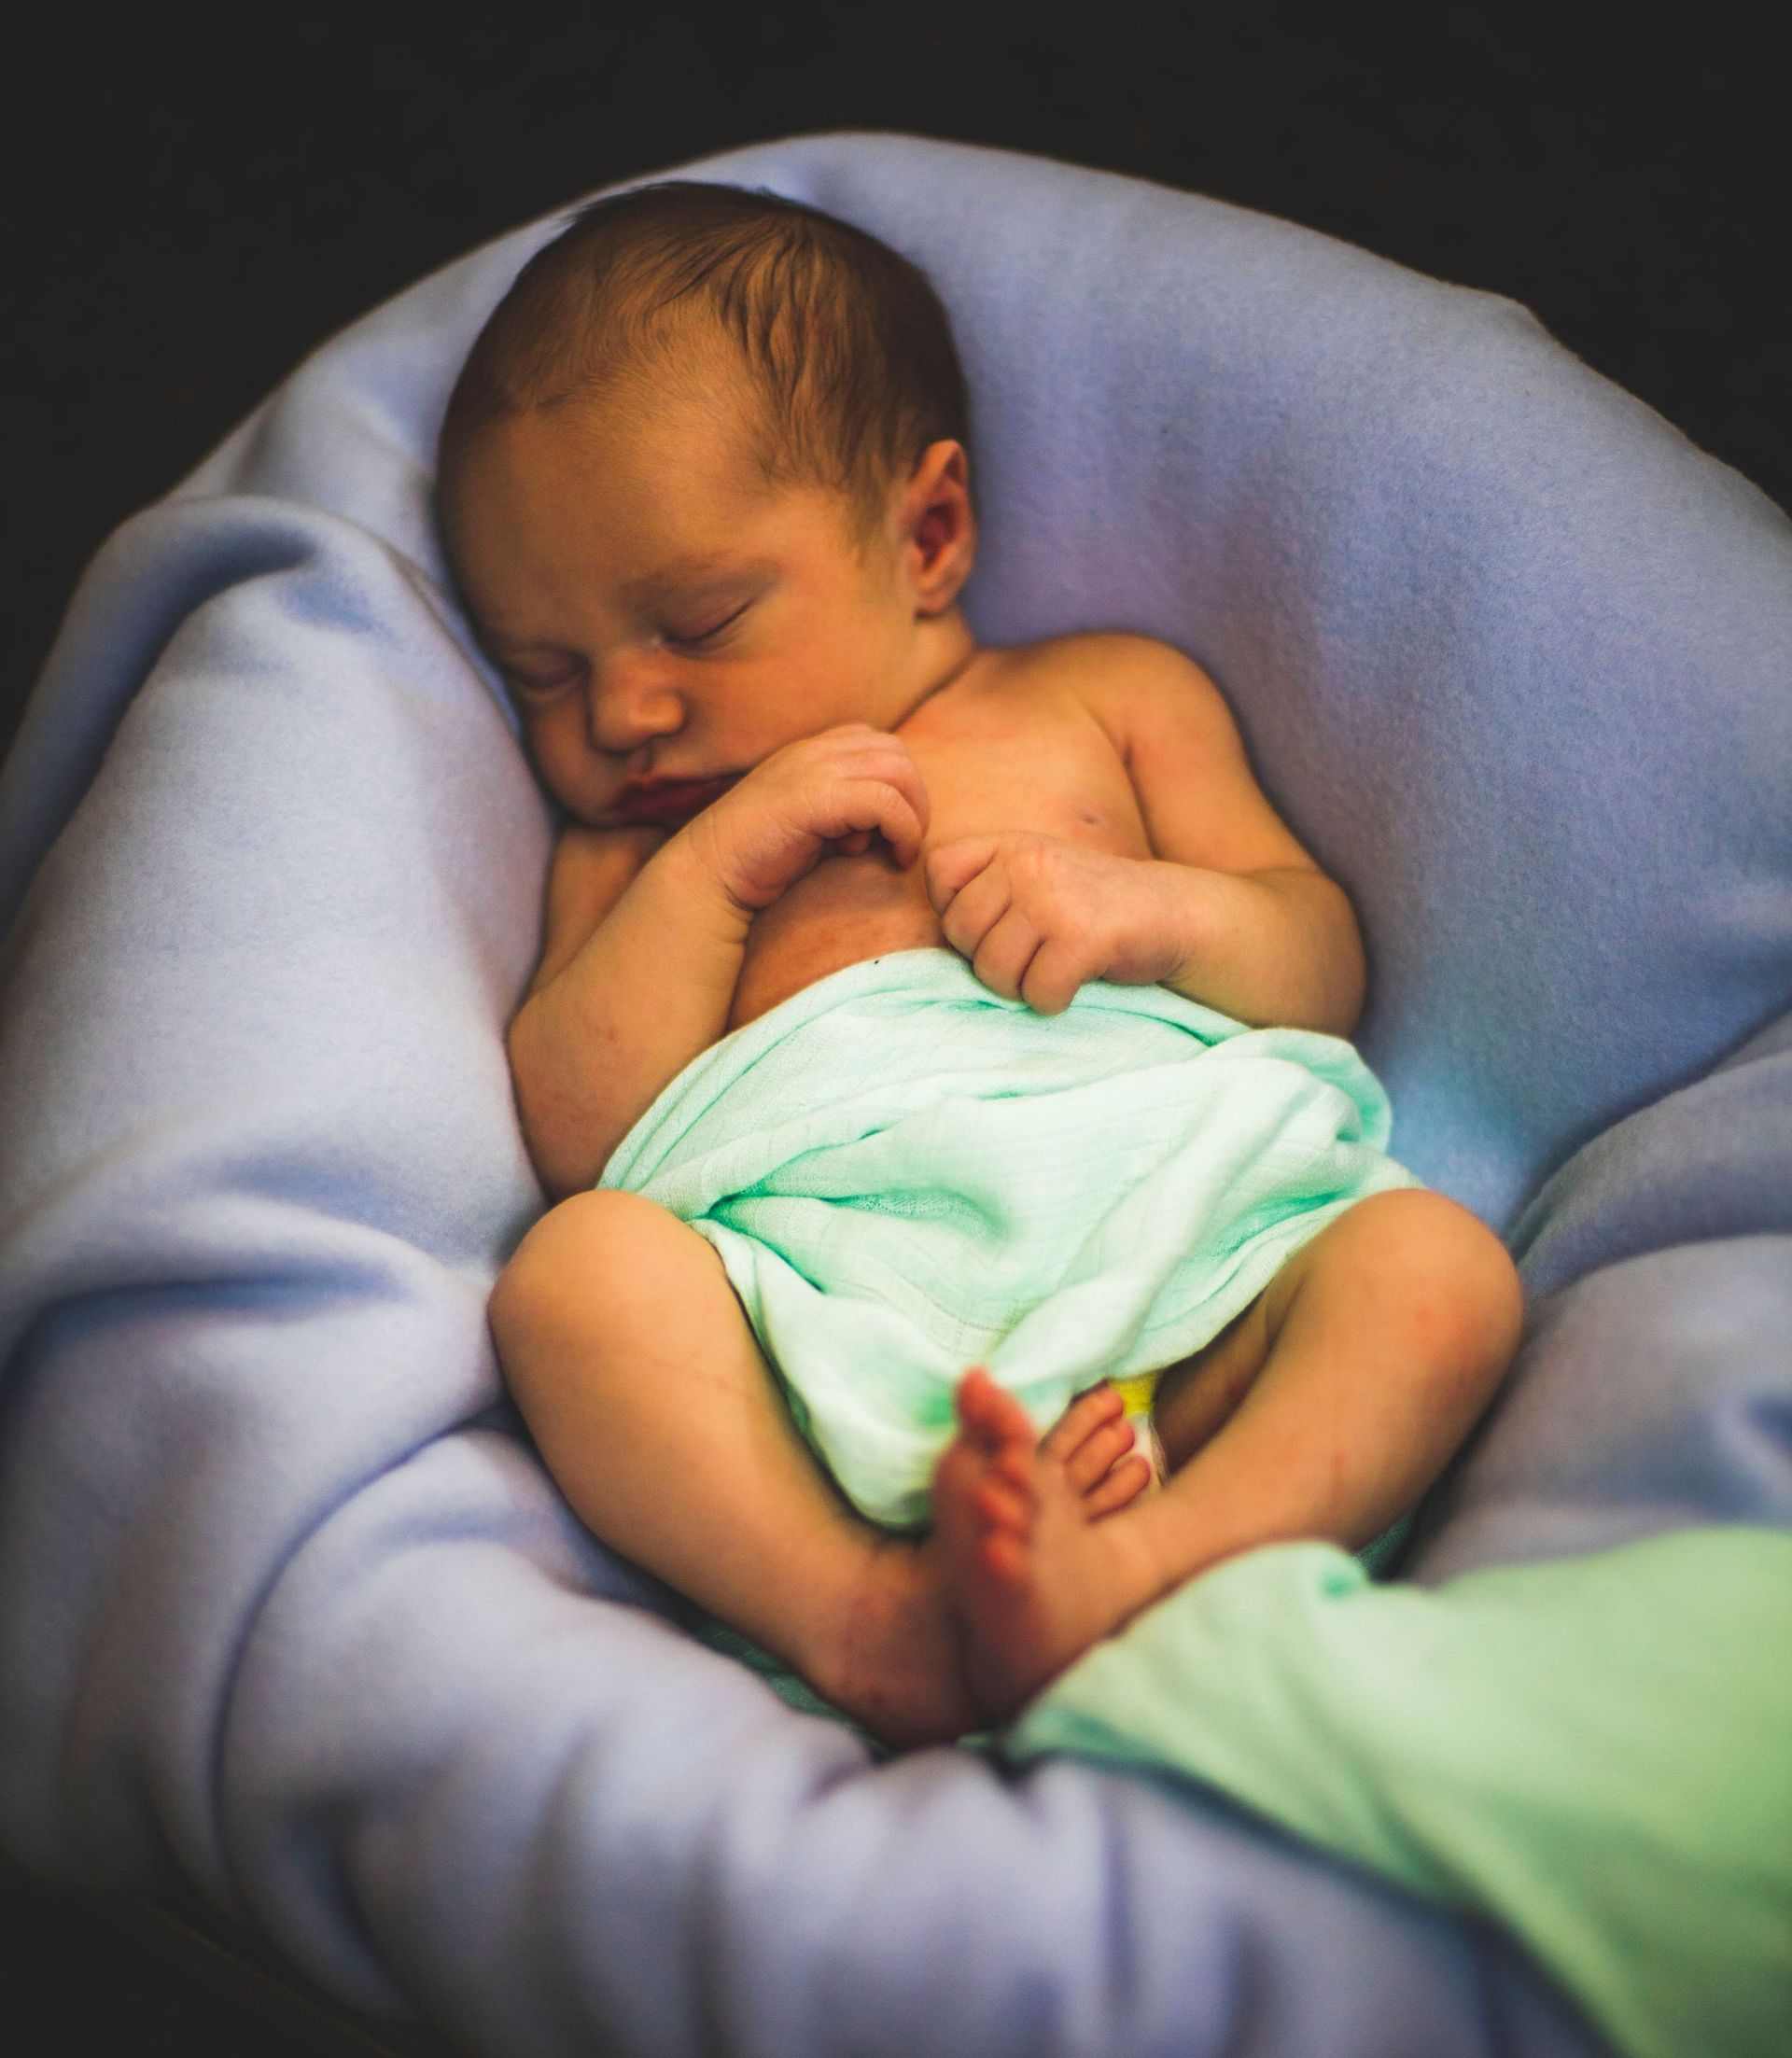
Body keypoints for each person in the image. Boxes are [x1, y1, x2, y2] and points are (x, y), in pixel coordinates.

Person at [438, 181, 1523, 1748]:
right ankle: (866, 1616)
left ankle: (1155, 1565)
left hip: (1187, 1265)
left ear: (927, 532)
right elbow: (579, 1134)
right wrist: (722, 866)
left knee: (1436, 1278)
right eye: (548, 671)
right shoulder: (631, 857)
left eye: (699, 620)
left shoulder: (1104, 695)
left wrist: (1147, 911)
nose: (620, 715)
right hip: (824, 1331)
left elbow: (1316, 957)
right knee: (575, 1284)